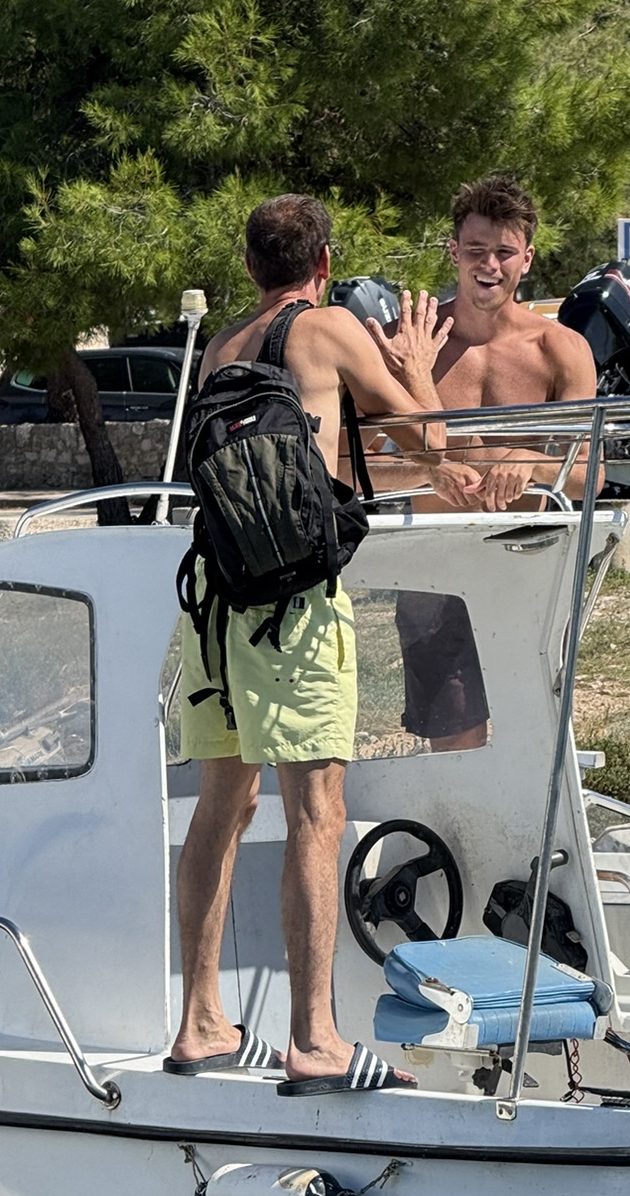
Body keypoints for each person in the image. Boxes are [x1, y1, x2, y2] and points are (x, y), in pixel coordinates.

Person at [165, 193, 451, 1095]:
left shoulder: (221, 349)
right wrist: (415, 366)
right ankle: (315, 1039)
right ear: (324, 264)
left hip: (214, 598)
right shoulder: (329, 330)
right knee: (318, 814)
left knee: (221, 806)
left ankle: (200, 1022)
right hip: (291, 605)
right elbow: (430, 443)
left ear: (251, 268)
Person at [370, 174, 599, 750]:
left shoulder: (560, 350)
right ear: (454, 253)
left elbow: (589, 475)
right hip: (434, 569)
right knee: (455, 747)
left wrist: (529, 461)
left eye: (503, 252)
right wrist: (427, 472)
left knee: (535, 740)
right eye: (475, 249)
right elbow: (349, 468)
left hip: (527, 566)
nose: (489, 265)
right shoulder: (406, 345)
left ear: (527, 258)